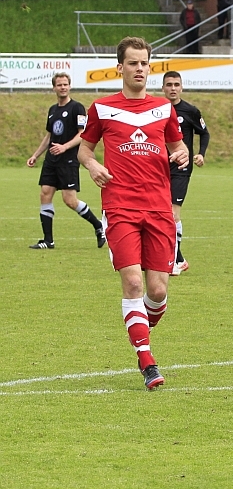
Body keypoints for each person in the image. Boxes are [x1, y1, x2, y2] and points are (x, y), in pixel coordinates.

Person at [77, 37, 189, 390]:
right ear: (120, 68)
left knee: (156, 291)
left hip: (159, 207)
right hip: (120, 206)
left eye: (144, 63)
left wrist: (182, 153)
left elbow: (178, 145)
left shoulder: (164, 108)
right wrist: (93, 165)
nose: (140, 69)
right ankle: (147, 361)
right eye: (133, 63)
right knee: (134, 283)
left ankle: (140, 324)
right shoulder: (101, 108)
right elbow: (84, 149)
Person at [26, 72, 104, 251]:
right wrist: (35, 155)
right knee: (45, 193)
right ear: (54, 88)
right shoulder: (53, 110)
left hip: (68, 159)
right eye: (59, 85)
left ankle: (98, 226)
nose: (62, 87)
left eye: (65, 84)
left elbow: (82, 134)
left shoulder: (77, 108)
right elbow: (49, 136)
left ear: (70, 86)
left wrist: (65, 147)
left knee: (69, 200)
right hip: (51, 160)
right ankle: (48, 240)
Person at [161, 71, 209, 276]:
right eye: (169, 84)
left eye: (176, 84)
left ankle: (173, 261)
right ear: (163, 88)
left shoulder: (190, 111)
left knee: (173, 214)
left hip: (181, 169)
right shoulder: (157, 110)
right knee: (161, 214)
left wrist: (200, 154)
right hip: (159, 169)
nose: (173, 88)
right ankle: (179, 259)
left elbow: (204, 133)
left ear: (181, 87)